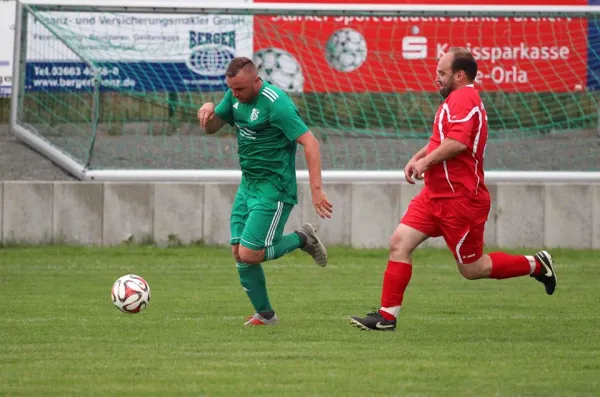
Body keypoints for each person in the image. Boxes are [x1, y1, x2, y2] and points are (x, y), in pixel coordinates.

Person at [349, 47, 557, 331]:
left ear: (460, 75)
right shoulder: (454, 101)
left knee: (473, 269)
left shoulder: (464, 99)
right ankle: (386, 317)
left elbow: (457, 143)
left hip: (460, 200)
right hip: (433, 197)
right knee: (399, 243)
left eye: (442, 73)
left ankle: (536, 264)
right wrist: (419, 157)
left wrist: (426, 163)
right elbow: (441, 140)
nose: (436, 78)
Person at [197, 57, 333, 326]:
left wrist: (316, 190)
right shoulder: (233, 97)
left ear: (256, 81)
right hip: (248, 185)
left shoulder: (276, 103)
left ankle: (301, 238)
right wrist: (208, 107)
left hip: (274, 188)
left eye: (241, 89)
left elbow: (311, 143)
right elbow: (212, 128)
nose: (235, 95)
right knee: (238, 252)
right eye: (231, 89)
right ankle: (266, 315)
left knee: (250, 254)